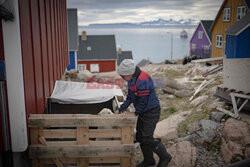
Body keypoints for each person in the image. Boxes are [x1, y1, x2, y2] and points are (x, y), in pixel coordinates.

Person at [116, 59, 172, 167]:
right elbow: (130, 97)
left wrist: (135, 113)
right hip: (144, 112)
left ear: (129, 73)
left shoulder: (143, 79)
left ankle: (165, 157)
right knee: (140, 137)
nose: (122, 78)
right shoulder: (131, 80)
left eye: (123, 76)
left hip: (151, 111)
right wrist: (120, 109)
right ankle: (149, 160)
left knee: (147, 137)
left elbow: (143, 100)